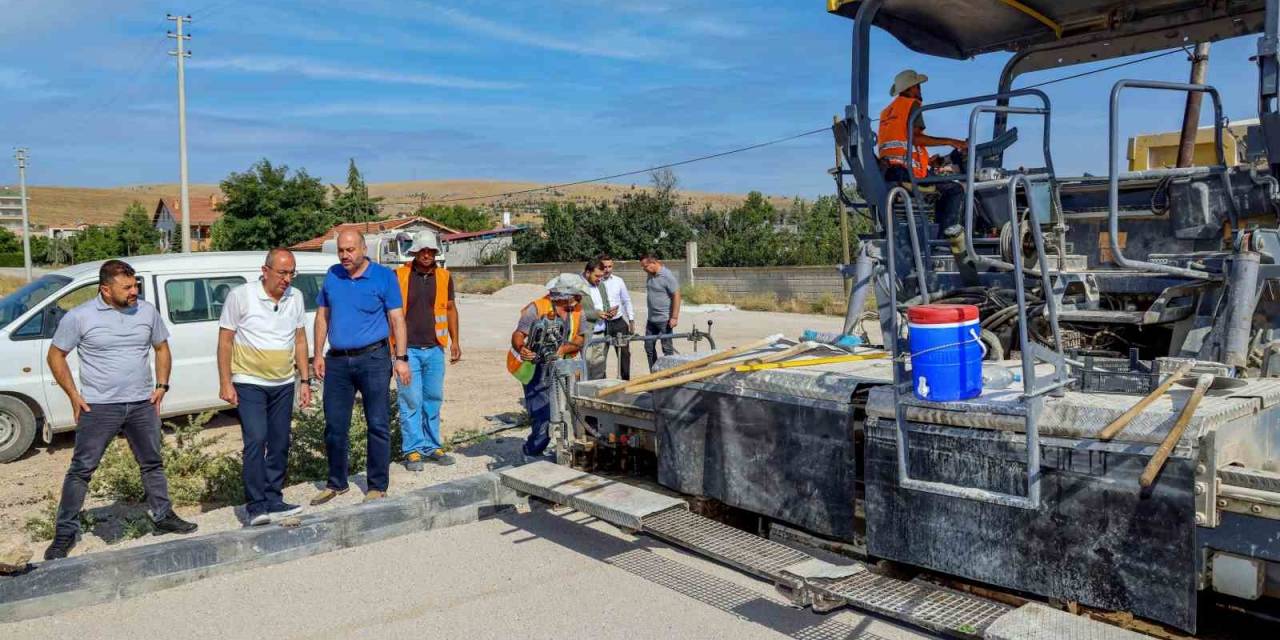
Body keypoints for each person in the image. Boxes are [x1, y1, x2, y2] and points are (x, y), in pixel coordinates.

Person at [43, 260, 197, 560]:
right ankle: (65, 532)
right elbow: (55, 355)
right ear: (105, 289)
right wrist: (73, 396)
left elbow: (162, 347)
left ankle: (163, 515)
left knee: (152, 463)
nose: (134, 291)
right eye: (126, 287)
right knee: (82, 469)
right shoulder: (80, 317)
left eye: (135, 285)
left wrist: (162, 386)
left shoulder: (147, 311)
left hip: (142, 404)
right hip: (99, 406)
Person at [311, 230, 412, 505]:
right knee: (334, 424)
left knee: (378, 423)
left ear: (363, 249)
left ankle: (377, 485)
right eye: (341, 250)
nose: (345, 255)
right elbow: (322, 316)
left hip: (374, 359)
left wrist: (401, 359)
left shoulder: (384, 277)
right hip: (337, 361)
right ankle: (336, 482)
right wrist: (317, 354)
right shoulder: (332, 275)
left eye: (350, 250)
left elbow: (397, 319)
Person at [217, 248, 312, 526]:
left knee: (281, 442)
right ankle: (255, 505)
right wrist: (225, 381)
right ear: (265, 270)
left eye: (292, 272)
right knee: (256, 440)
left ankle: (274, 498)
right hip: (250, 382)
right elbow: (225, 341)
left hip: (283, 382)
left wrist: (304, 380)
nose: (287, 278)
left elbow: (300, 340)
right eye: (282, 272)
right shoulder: (241, 296)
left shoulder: (296, 297)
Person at [391, 231, 460, 471]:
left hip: (435, 348)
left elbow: (451, 309)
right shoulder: (398, 276)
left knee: (433, 399)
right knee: (410, 399)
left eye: (431, 250)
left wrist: (455, 341)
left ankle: (432, 446)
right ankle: (412, 450)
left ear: (435, 252)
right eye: (423, 250)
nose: (427, 254)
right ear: (415, 252)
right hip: (406, 351)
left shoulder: (444, 277)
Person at [878, 69, 969, 234]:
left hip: (889, 172)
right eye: (918, 87)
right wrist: (951, 141)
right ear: (910, 88)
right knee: (955, 190)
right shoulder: (911, 105)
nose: (920, 91)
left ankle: (936, 235)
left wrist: (929, 162)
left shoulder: (887, 112)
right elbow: (916, 138)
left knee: (942, 187)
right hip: (906, 174)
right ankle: (945, 240)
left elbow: (901, 146)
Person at [507, 274, 587, 462]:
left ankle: (562, 450)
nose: (579, 299)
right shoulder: (536, 308)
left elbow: (580, 338)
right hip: (535, 368)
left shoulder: (577, 310)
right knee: (543, 414)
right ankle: (531, 451)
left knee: (567, 411)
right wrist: (522, 348)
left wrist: (564, 349)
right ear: (564, 295)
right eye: (576, 295)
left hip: (561, 365)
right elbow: (518, 334)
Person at [639, 253, 681, 371]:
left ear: (653, 263)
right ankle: (654, 374)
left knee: (667, 349)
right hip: (651, 320)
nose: (644, 269)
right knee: (649, 347)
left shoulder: (667, 276)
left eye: (645, 266)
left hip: (665, 320)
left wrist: (674, 317)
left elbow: (676, 296)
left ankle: (669, 375)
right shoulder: (650, 275)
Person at [597, 254, 634, 380]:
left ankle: (625, 381)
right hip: (602, 323)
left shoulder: (618, 281)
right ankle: (601, 382)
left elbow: (626, 300)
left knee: (624, 354)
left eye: (609, 266)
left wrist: (631, 320)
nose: (607, 269)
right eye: (604, 266)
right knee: (600, 355)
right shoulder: (594, 282)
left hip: (618, 322)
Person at [580, 258, 612, 380]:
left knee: (599, 367)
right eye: (597, 276)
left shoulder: (601, 285)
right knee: (586, 367)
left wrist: (609, 311)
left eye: (602, 276)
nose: (600, 279)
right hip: (587, 334)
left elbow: (606, 303)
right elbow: (575, 312)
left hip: (601, 333)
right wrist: (595, 314)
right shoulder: (579, 287)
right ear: (588, 273)